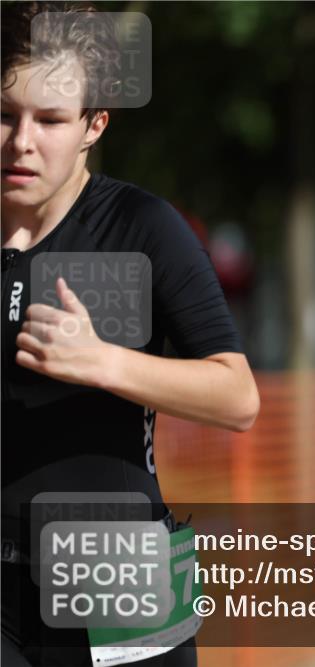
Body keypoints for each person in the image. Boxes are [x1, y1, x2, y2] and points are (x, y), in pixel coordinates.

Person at [1, 3, 259, 665]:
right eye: (5, 115)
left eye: (51, 120)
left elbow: (238, 398)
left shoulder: (143, 228)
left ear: (94, 124)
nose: (21, 141)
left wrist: (102, 361)